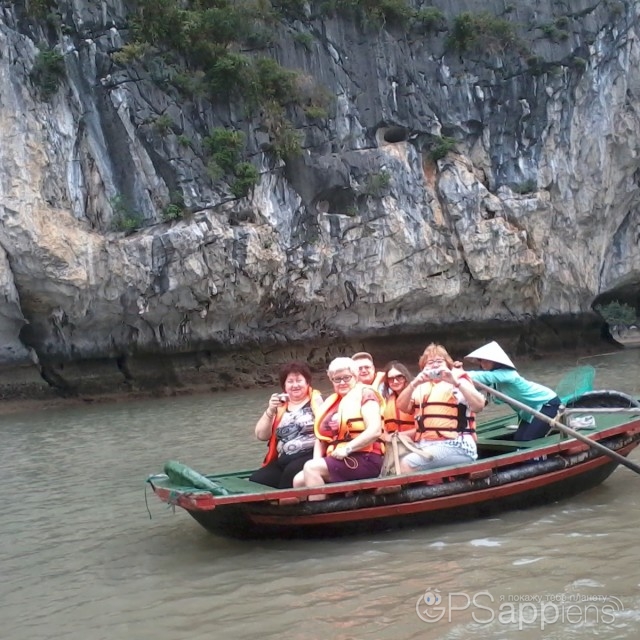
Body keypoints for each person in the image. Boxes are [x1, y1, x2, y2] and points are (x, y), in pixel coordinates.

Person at [293, 357, 385, 498]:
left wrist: (348, 448)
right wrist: (316, 460)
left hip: (366, 458)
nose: (342, 382)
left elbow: (375, 430)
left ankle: (320, 509)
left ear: (355, 377)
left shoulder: (366, 394)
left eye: (346, 377)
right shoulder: (333, 402)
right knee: (299, 480)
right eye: (337, 379)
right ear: (332, 381)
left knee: (311, 469)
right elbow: (321, 439)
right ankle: (318, 507)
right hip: (340, 458)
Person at [395, 343, 486, 473]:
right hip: (426, 445)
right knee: (395, 459)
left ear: (447, 365)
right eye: (430, 362)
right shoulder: (420, 386)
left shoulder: (458, 381)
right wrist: (414, 383)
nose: (435, 365)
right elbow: (402, 406)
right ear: (423, 367)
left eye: (439, 361)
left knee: (407, 464)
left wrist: (455, 382)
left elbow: (479, 406)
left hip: (457, 445)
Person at [465, 341, 561, 441]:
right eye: (481, 361)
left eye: (486, 361)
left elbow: (479, 376)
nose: (483, 364)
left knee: (527, 440)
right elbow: (474, 386)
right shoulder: (495, 381)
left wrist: (456, 372)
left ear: (496, 362)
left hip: (547, 404)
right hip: (527, 411)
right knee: (519, 440)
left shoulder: (508, 374)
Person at [249, 361, 323, 488]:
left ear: (307, 382)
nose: (295, 385)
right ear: (284, 385)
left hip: (309, 455)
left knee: (290, 473)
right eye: (290, 381)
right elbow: (261, 435)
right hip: (283, 458)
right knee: (257, 480)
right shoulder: (280, 406)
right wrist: (270, 410)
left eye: (299, 380)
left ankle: (287, 499)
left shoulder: (318, 401)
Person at [381, 361, 415, 435]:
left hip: (415, 441)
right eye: (391, 379)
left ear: (405, 378)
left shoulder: (417, 396)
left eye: (399, 377)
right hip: (391, 440)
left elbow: (423, 427)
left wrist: (399, 436)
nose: (395, 381)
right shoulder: (385, 400)